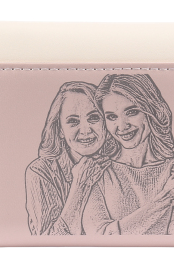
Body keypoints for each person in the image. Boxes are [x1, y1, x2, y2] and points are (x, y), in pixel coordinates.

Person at [82, 73, 174, 235]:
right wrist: (165, 200)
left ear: (151, 111)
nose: (122, 126)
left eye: (132, 112)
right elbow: (100, 237)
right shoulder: (97, 170)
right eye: (112, 117)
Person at [25, 81, 115, 235]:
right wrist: (80, 185)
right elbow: (49, 243)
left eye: (94, 117)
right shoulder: (40, 172)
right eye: (73, 121)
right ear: (60, 130)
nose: (85, 130)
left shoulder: (120, 162)